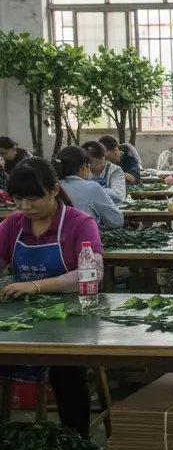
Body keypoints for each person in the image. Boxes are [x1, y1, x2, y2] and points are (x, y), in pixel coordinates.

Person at [0, 158, 104, 435]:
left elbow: (91, 272)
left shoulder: (79, 223)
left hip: (73, 317)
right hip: (22, 316)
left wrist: (35, 286)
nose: (24, 207)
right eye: (18, 199)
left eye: (33, 198)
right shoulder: (13, 224)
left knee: (67, 371)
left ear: (54, 190)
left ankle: (76, 444)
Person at [53, 145, 124, 228]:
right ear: (83, 166)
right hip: (85, 237)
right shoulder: (92, 188)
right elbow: (116, 221)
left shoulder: (52, 188)